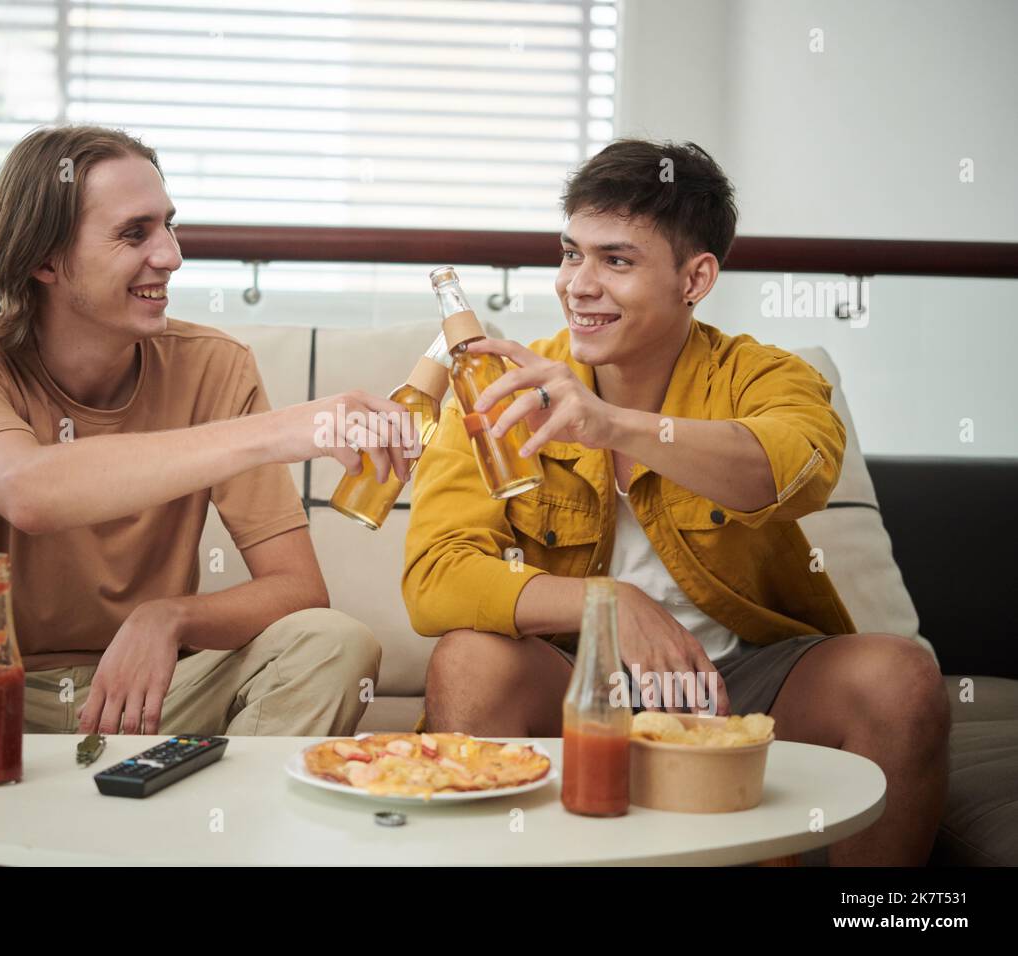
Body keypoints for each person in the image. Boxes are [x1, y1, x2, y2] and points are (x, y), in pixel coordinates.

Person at [0, 124, 413, 866]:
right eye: (135, 233)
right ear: (44, 259)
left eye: (169, 226)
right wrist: (284, 430)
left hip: (149, 703)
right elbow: (31, 489)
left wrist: (171, 617)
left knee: (335, 644)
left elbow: (299, 590)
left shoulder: (213, 367)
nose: (171, 254)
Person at [402, 139, 950, 866]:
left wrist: (612, 425)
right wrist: (607, 604)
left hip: (746, 684)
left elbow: (792, 471)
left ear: (696, 277)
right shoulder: (498, 389)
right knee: (468, 659)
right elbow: (435, 579)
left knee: (902, 676)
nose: (579, 285)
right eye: (572, 254)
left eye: (616, 261)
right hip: (573, 682)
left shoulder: (767, 375)